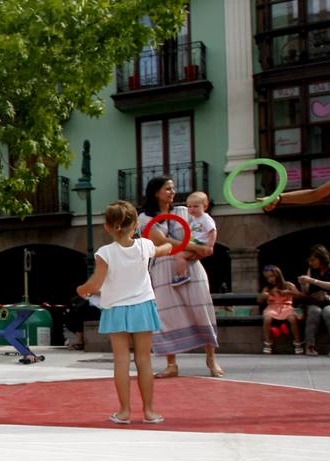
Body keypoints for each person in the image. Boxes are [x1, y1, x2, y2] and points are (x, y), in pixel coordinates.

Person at [76, 201, 174, 424]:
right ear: (136, 224)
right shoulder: (145, 246)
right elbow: (163, 249)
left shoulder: (105, 253)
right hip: (143, 306)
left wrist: (82, 289)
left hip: (116, 308)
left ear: (108, 227)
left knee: (121, 361)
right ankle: (149, 411)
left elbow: (96, 283)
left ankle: (124, 411)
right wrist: (169, 247)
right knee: (144, 361)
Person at [138, 177, 222, 378]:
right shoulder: (144, 218)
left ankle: (211, 359)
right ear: (156, 192)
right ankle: (171, 364)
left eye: (173, 188)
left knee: (201, 308)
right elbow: (163, 241)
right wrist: (196, 247)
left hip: (191, 265)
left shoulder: (184, 211)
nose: (172, 191)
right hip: (164, 267)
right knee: (166, 315)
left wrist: (202, 249)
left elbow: (203, 230)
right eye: (168, 188)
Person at [299, 244, 330, 356]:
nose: (311, 263)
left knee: (329, 311)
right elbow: (306, 292)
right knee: (314, 311)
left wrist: (313, 281)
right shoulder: (311, 270)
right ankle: (309, 346)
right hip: (318, 302)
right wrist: (303, 284)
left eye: (313, 260)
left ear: (322, 258)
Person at [170, 191, 215, 287]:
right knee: (180, 253)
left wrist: (210, 246)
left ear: (205, 207)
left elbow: (212, 231)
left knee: (179, 255)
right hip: (195, 244)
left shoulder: (205, 218)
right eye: (189, 206)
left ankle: (183, 275)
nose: (192, 209)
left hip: (200, 244)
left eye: (196, 206)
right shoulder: (194, 220)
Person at [258, 265, 304, 354]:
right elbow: (259, 300)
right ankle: (268, 342)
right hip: (272, 307)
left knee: (292, 318)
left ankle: (298, 342)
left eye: (272, 276)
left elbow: (299, 295)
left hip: (286, 307)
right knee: (267, 318)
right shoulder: (267, 288)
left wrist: (289, 292)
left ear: (278, 275)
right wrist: (263, 296)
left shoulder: (288, 285)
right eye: (268, 278)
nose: (270, 279)